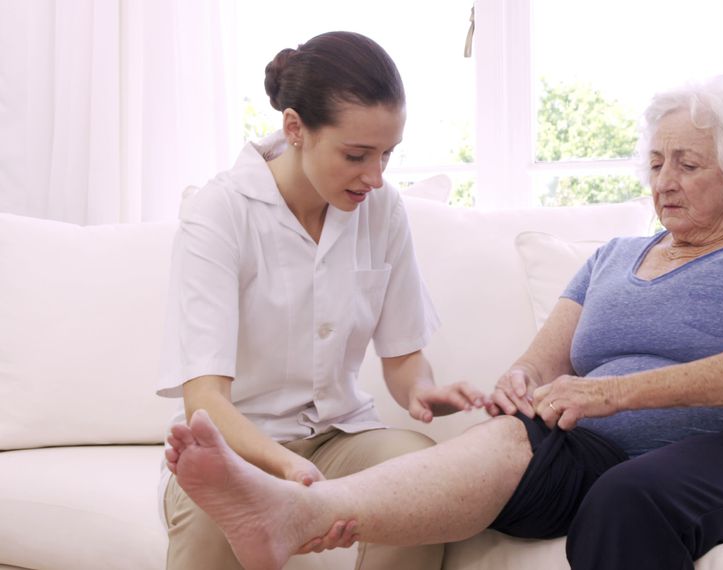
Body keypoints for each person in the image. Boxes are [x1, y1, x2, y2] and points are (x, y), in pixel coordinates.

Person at [165, 75, 723, 570]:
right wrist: (520, 386)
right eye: (654, 162)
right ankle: (297, 514)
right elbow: (539, 364)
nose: (664, 180)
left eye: (688, 164)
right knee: (505, 436)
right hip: (606, 450)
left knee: (626, 500)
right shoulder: (612, 258)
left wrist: (610, 394)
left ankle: (294, 510)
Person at [156, 31, 485, 570]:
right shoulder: (221, 213)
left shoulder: (382, 210)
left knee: (419, 474)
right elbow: (205, 403)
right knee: (219, 516)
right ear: (295, 129)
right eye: (357, 155)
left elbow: (402, 360)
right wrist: (286, 472)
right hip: (238, 447)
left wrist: (425, 390)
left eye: (387, 155)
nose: (376, 177)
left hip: (340, 435)